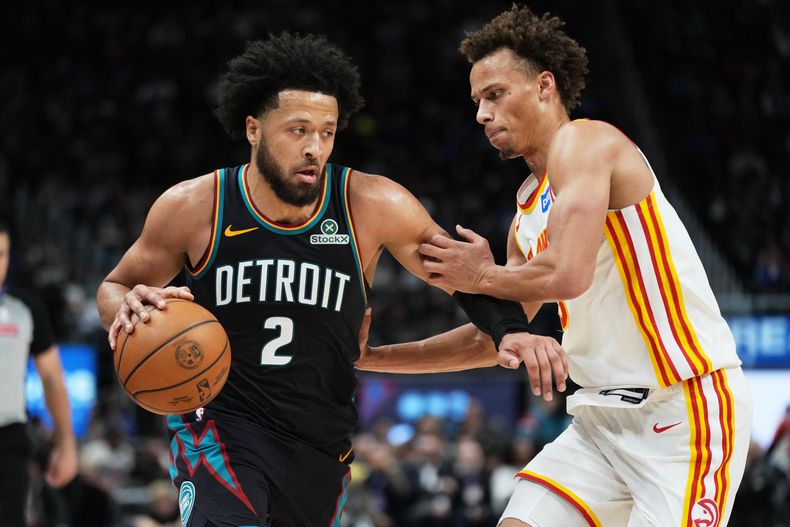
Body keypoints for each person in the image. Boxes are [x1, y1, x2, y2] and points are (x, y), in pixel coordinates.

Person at [96, 33, 568, 527]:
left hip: (321, 439)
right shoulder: (194, 207)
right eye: (297, 130)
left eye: (326, 131)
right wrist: (126, 306)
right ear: (253, 129)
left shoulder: (372, 204)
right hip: (220, 424)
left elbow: (461, 279)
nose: (313, 147)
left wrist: (509, 329)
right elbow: (114, 287)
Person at [419, 5, 753, 527]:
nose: (481, 114)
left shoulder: (589, 140)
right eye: (477, 101)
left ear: (544, 86)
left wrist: (481, 276)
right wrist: (364, 355)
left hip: (683, 412)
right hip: (598, 423)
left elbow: (567, 273)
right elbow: (497, 337)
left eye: (495, 95)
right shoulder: (526, 209)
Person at [0, 216, 79, 526]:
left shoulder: (25, 309)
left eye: (2, 254)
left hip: (7, 436)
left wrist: (66, 444)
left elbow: (52, 379)